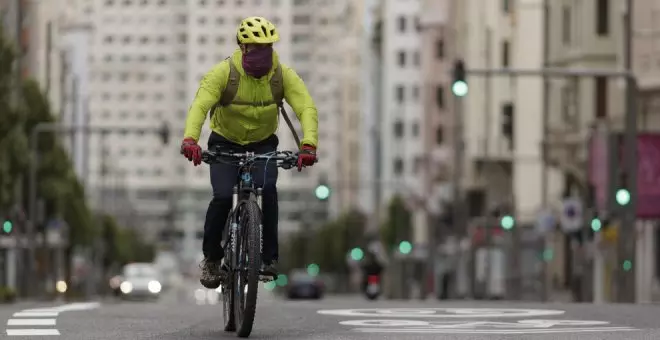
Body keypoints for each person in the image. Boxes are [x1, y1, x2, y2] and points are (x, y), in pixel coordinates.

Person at [180, 16, 318, 289]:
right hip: (225, 143)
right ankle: (211, 259)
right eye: (256, 47)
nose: (263, 53)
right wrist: (190, 139)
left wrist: (309, 144)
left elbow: (306, 106)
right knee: (221, 197)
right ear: (242, 48)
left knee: (268, 190)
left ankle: (268, 259)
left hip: (263, 144)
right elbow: (199, 105)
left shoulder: (282, 75)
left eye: (267, 47)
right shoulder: (223, 73)